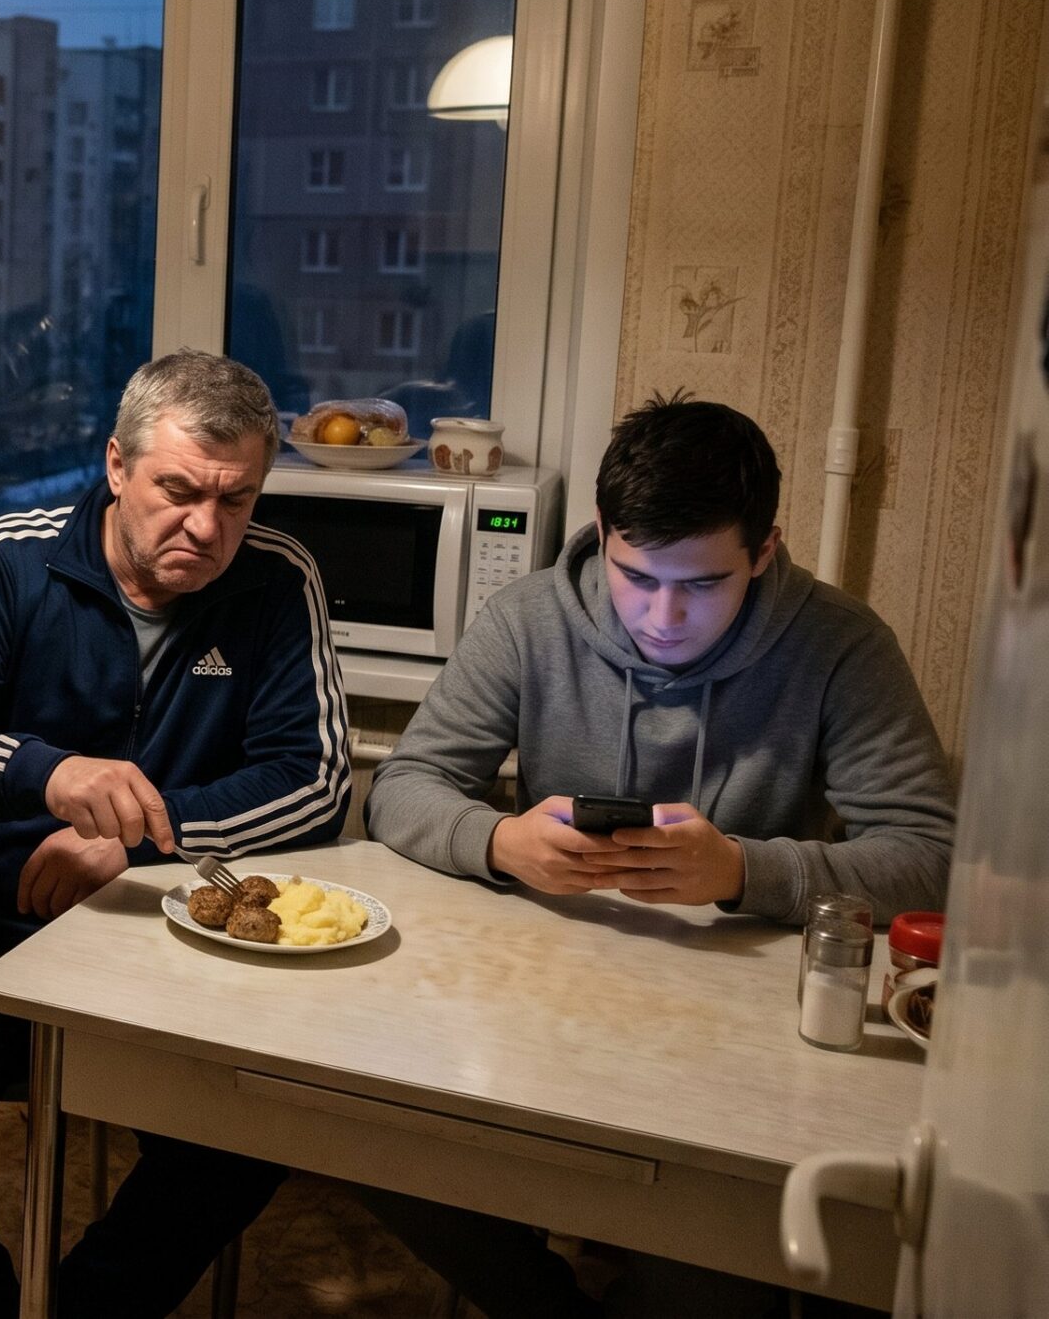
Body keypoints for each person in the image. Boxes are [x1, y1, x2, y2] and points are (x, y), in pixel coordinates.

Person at [360, 393, 955, 1316]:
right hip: (539, 1005)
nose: (664, 615)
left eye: (704, 584)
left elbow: (930, 857)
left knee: (705, 1275)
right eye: (636, 576)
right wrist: (501, 841)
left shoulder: (841, 645)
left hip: (740, 1033)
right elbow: (402, 786)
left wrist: (745, 872)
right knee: (386, 1149)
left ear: (764, 550)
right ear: (603, 532)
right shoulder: (529, 619)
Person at [0, 350, 351, 1318]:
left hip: (172, 941)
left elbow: (315, 784)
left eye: (235, 499)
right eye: (178, 491)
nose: (206, 527)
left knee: (247, 1140)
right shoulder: (8, 555)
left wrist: (140, 841)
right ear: (117, 465)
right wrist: (50, 772)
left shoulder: (279, 578)